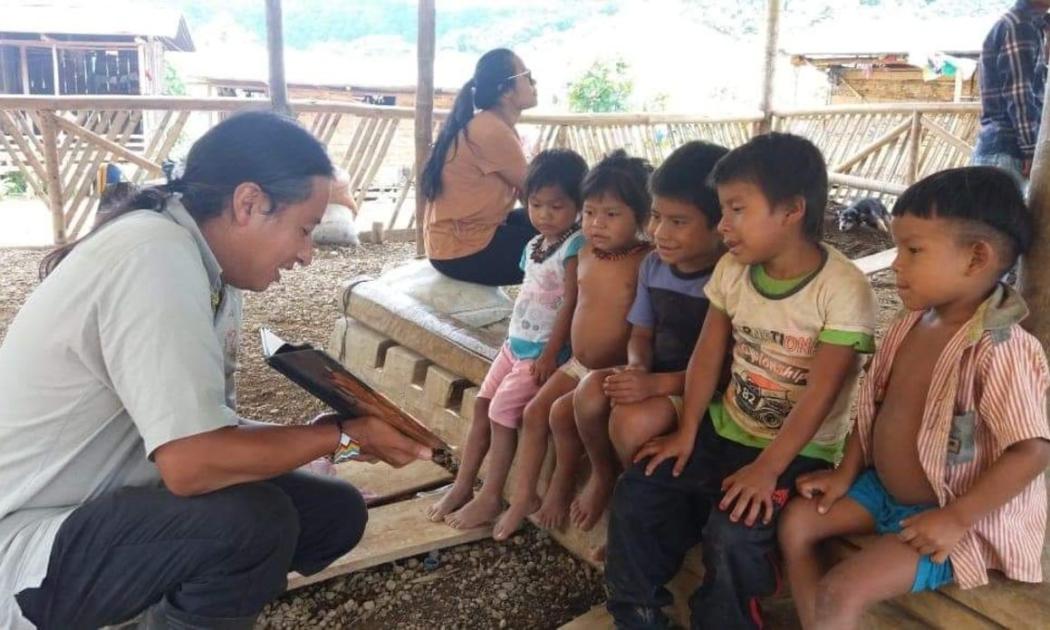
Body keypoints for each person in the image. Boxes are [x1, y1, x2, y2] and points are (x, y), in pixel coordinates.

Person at [0, 112, 432, 630]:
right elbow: (193, 463)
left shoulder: (207, 268)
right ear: (248, 203)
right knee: (252, 525)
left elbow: (203, 430)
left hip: (106, 505)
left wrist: (333, 439)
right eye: (304, 229)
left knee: (331, 512)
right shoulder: (153, 255)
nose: (307, 254)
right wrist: (338, 435)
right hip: (27, 543)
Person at [605, 132, 878, 629]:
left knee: (736, 531)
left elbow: (824, 391)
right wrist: (687, 430)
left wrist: (769, 469)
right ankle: (637, 614)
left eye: (735, 210)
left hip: (799, 452)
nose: (723, 225)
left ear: (792, 210)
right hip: (724, 427)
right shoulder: (733, 269)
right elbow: (709, 354)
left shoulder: (842, 289)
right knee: (642, 486)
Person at [779, 167, 1050, 630]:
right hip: (881, 492)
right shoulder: (910, 324)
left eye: (913, 250)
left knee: (841, 587)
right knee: (797, 524)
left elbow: (1033, 450)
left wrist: (956, 518)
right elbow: (875, 410)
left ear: (976, 258)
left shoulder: (1001, 347)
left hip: (949, 514)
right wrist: (846, 473)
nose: (895, 263)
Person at [493, 150, 653, 541]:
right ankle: (526, 495)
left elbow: (647, 324)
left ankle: (576, 480)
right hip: (576, 363)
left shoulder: (645, 260)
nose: (597, 223)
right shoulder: (583, 252)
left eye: (612, 215)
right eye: (592, 212)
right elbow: (570, 305)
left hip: (610, 368)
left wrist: (638, 367)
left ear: (642, 218)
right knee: (535, 413)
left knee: (562, 416)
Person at [424, 148, 588, 529]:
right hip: (514, 346)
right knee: (482, 405)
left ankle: (492, 495)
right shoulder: (532, 245)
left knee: (501, 416)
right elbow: (529, 294)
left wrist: (551, 354)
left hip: (540, 355)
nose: (544, 214)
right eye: (536, 204)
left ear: (578, 206)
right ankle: (464, 483)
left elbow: (570, 304)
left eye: (557, 206)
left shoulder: (574, 247)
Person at [571, 141, 728, 534]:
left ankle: (637, 503)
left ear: (720, 224)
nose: (659, 232)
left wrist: (654, 384)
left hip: (699, 388)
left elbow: (722, 367)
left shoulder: (726, 278)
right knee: (591, 390)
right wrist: (637, 369)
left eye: (679, 222)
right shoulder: (654, 266)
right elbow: (641, 333)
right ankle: (607, 475)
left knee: (631, 422)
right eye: (656, 217)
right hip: (654, 373)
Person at [422, 48, 539, 286]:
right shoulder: (491, 130)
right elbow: (536, 192)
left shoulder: (489, 124)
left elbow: (533, 197)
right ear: (505, 90)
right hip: (465, 251)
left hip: (455, 244)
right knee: (568, 245)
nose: (533, 81)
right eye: (526, 75)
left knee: (555, 223)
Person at [972, 0, 1050, 186]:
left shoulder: (1032, 25)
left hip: (1002, 150)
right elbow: (1020, 93)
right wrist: (1031, 150)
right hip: (1008, 152)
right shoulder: (1020, 26)